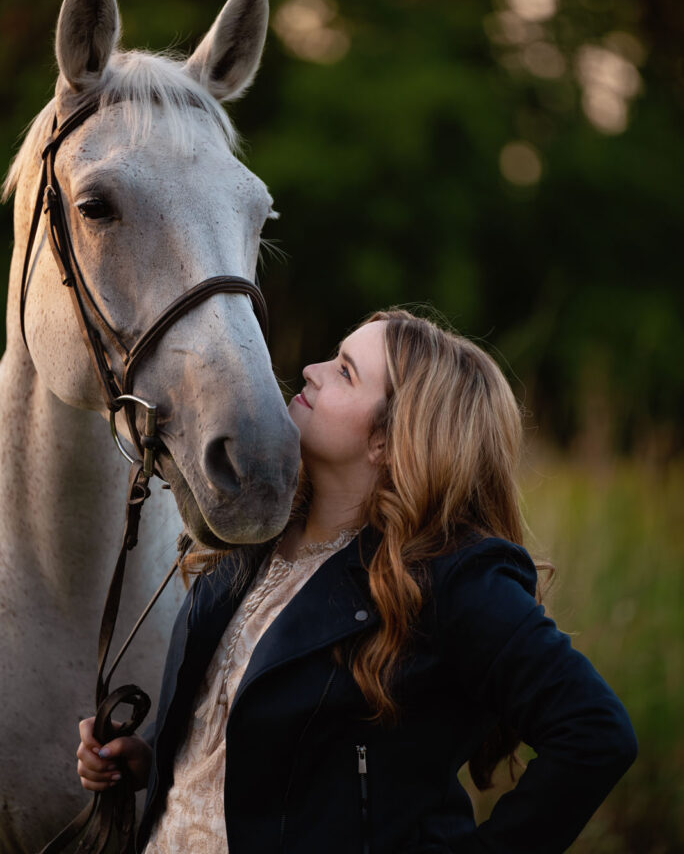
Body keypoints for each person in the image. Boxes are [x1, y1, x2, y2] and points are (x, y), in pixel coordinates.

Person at [77, 309, 637, 853]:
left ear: (390, 442)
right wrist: (155, 757)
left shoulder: (450, 580)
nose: (312, 371)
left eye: (345, 371)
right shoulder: (257, 535)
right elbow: (271, 748)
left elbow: (595, 733)